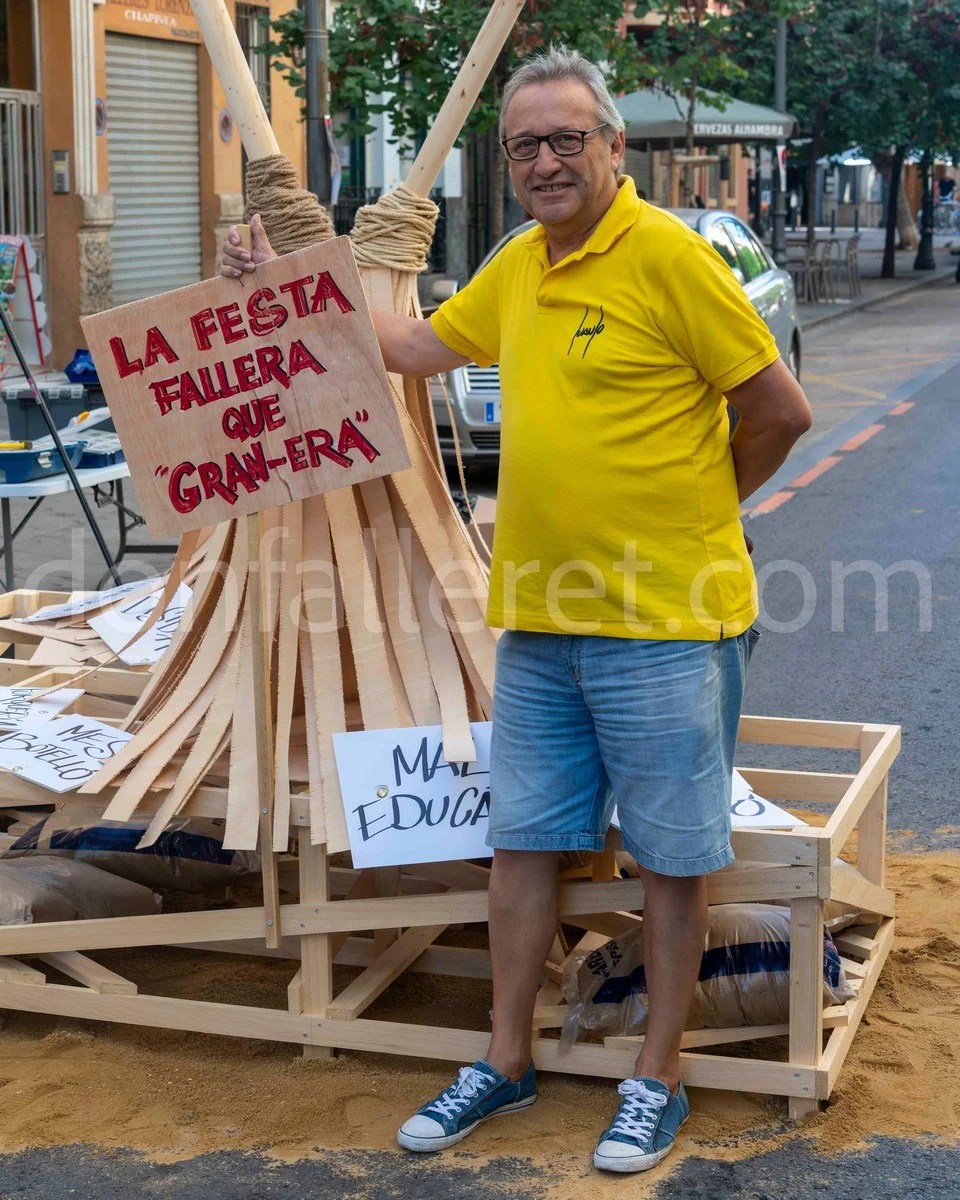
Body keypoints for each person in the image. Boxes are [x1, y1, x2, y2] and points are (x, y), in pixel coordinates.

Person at [222, 45, 812, 1175]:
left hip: (665, 623)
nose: (545, 162)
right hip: (538, 622)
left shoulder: (672, 260)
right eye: (525, 145)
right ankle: (504, 1058)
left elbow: (779, 411)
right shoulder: (520, 263)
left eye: (566, 139)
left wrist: (699, 515)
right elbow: (411, 346)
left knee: (670, 861)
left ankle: (656, 1077)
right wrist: (286, 284)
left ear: (613, 147)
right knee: (523, 848)